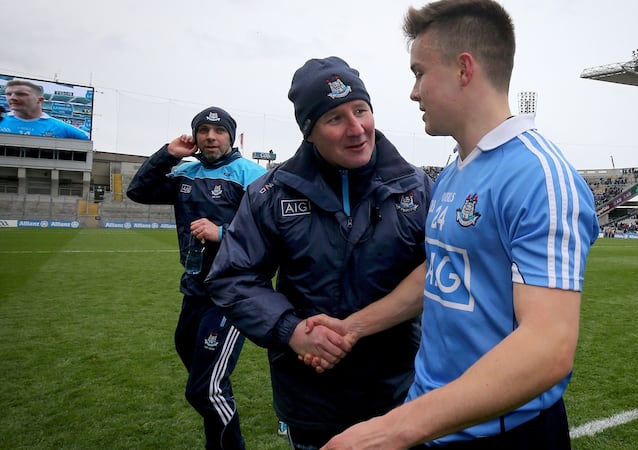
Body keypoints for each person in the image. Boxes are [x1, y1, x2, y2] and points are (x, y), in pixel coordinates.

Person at [316, 1, 601, 448]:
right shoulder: (453, 172)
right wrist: (354, 326)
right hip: (434, 418)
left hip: (504, 433)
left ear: (464, 69)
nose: (413, 93)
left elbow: (548, 348)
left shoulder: (539, 176)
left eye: (419, 73)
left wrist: (392, 429)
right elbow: (441, 270)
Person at [205, 56, 433, 450]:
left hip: (400, 393)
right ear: (309, 132)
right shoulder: (271, 193)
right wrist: (291, 330)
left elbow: (444, 269)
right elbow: (232, 276)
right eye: (335, 118)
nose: (356, 128)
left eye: (360, 110)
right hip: (311, 400)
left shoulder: (416, 187)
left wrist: (357, 327)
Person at [127, 106, 266, 450]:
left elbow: (271, 230)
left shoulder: (251, 174)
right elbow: (138, 191)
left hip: (234, 290)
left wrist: (222, 233)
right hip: (194, 288)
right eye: (203, 131)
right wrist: (168, 154)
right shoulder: (185, 173)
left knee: (206, 389)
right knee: (203, 376)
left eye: (219, 131)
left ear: (230, 136)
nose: (210, 137)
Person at [0, 79, 89, 139]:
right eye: (8, 94)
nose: (12, 98)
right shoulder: (1, 121)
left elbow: (87, 142)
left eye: (21, 94)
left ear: (40, 100)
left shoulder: (61, 128)